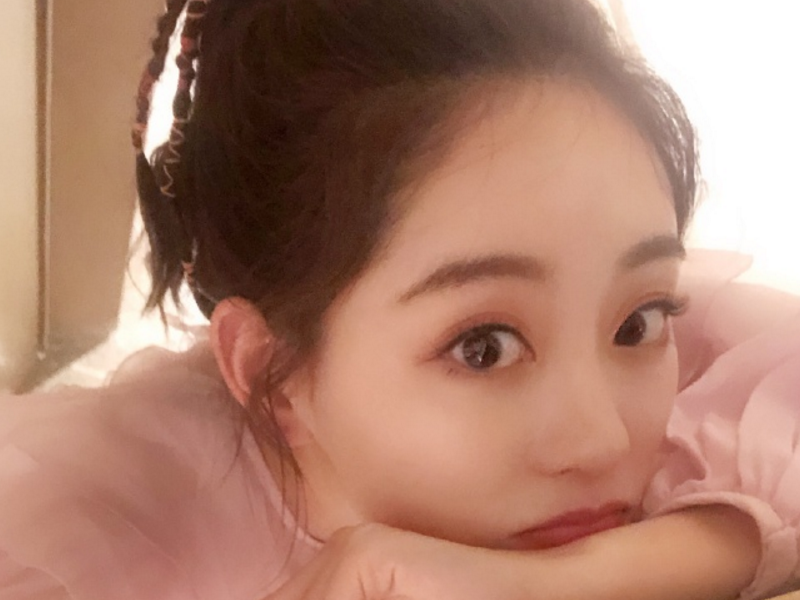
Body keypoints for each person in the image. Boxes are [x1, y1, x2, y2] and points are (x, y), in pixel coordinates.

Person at [1, 0, 799, 598]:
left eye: (638, 321)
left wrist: (546, 582)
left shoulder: (697, 356)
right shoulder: (104, 545)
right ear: (271, 370)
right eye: (484, 347)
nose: (602, 439)